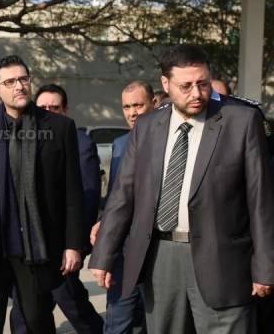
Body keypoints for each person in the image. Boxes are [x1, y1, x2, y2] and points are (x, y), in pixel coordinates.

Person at [89, 44, 274, 333]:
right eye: (185, 86)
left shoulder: (242, 121)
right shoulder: (147, 126)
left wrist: (265, 266)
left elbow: (260, 200)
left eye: (203, 83)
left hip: (223, 261)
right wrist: (103, 255)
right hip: (160, 258)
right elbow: (123, 194)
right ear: (165, 84)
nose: (196, 93)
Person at [0, 55, 85, 334]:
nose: (19, 86)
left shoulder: (59, 127)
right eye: (9, 82)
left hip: (35, 246)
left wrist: (73, 244)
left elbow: (72, 192)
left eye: (23, 79)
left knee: (36, 322)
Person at [10, 83, 104, 334]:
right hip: (31, 245)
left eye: (55, 107)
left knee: (71, 303)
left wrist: (76, 245)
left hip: (62, 246)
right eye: (43, 107)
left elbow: (87, 196)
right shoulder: (25, 137)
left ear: (66, 110)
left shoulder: (80, 142)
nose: (48, 112)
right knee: (26, 308)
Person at [90, 80, 156, 334]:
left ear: (154, 103)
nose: (132, 113)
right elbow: (117, 197)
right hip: (125, 251)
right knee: (117, 322)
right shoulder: (119, 144)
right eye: (127, 107)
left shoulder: (170, 142)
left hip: (159, 250)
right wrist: (104, 222)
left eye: (138, 105)